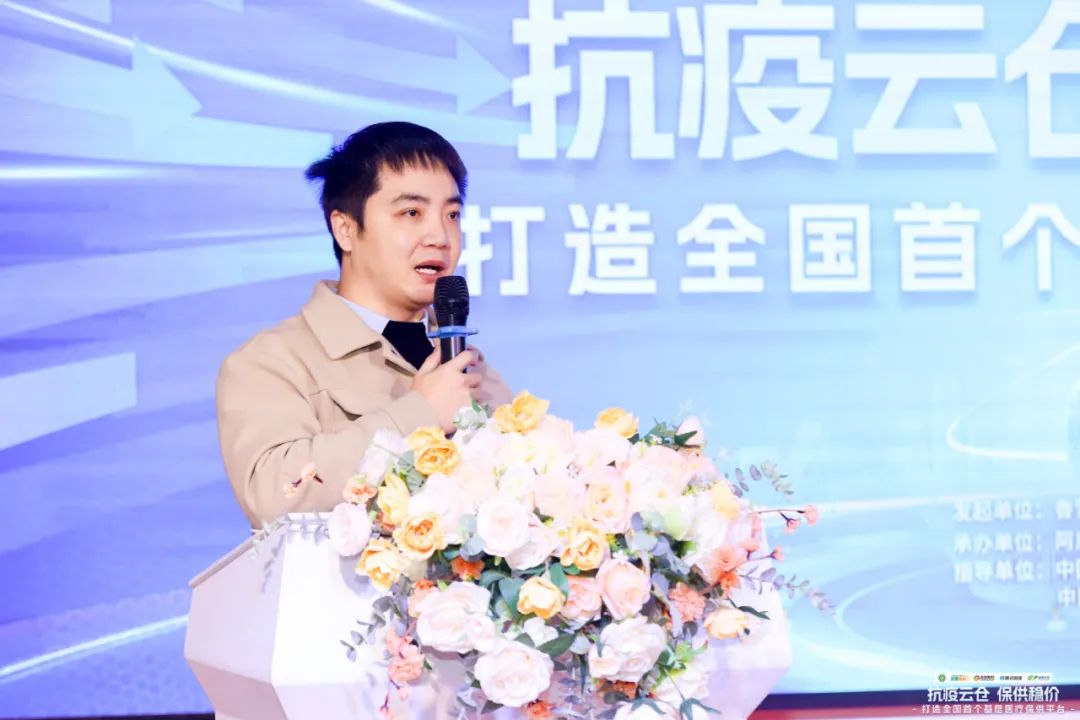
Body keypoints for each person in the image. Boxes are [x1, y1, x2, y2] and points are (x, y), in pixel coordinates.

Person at [216, 122, 512, 527]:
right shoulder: (272, 361)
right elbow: (272, 495)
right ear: (345, 229)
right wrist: (421, 414)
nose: (440, 236)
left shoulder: (465, 365)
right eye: (411, 213)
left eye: (452, 214)